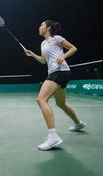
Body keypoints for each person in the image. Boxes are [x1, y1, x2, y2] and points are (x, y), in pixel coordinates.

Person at [24, 20, 86, 151]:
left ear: (48, 28)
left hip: (59, 71)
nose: (39, 27)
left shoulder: (56, 38)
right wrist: (32, 54)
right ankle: (78, 124)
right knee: (61, 104)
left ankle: (53, 137)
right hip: (57, 72)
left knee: (41, 100)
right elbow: (43, 60)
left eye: (41, 25)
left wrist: (63, 56)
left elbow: (73, 48)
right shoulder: (43, 43)